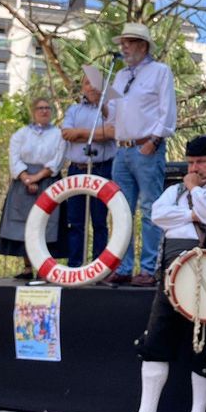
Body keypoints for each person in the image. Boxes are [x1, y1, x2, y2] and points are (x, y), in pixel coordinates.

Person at [103, 120, 206, 412]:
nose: (194, 169)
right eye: (191, 163)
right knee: (155, 343)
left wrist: (195, 194)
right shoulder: (172, 190)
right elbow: (158, 215)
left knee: (203, 346)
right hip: (169, 274)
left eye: (202, 162)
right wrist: (196, 213)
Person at [107, 22, 177, 286]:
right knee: (121, 210)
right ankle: (124, 267)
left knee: (149, 210)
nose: (123, 47)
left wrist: (154, 140)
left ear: (143, 46)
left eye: (128, 42)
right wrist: (99, 97)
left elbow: (167, 110)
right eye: (122, 43)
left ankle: (148, 268)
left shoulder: (160, 71)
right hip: (122, 150)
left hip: (146, 146)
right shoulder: (121, 76)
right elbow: (113, 113)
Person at [0, 96, 67, 279]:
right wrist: (26, 178)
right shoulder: (21, 134)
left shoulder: (59, 134)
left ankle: (45, 268)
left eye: (47, 108)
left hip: (48, 181)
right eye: (40, 108)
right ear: (33, 112)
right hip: (23, 183)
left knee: (47, 225)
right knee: (25, 223)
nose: (44, 111)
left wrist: (37, 177)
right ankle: (27, 268)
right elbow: (14, 158)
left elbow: (57, 160)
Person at [59, 64, 119, 268]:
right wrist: (92, 135)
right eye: (87, 83)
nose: (91, 87)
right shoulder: (74, 109)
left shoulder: (110, 108)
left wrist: (80, 134)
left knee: (99, 221)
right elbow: (66, 133)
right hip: (77, 168)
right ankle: (75, 264)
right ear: (82, 88)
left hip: (102, 168)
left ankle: (98, 266)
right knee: (76, 221)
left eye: (94, 83)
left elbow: (111, 132)